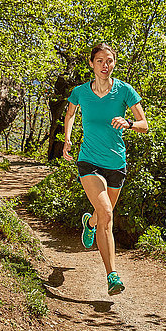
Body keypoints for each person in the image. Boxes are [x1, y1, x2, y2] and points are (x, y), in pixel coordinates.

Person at [62, 42, 148, 296]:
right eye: (99, 60)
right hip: (88, 160)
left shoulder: (124, 91)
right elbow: (70, 115)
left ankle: (89, 224)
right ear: (91, 64)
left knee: (102, 215)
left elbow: (144, 124)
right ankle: (112, 275)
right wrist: (67, 138)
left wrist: (129, 122)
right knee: (108, 214)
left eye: (109, 61)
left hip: (116, 164)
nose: (104, 65)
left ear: (114, 64)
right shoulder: (80, 92)